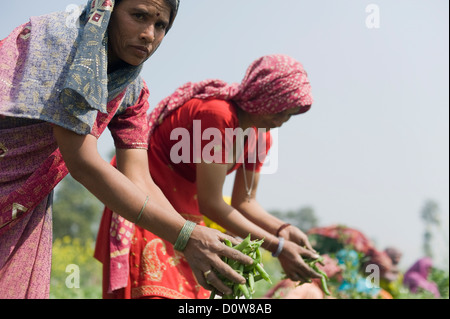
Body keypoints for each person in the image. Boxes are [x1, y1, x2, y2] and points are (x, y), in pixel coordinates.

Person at [0, 0, 252, 299]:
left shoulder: (131, 88)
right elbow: (82, 161)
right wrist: (185, 236)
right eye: (138, 16)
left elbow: (140, 179)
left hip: (26, 203)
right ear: (107, 10)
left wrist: (190, 237)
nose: (149, 34)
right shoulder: (64, 42)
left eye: (161, 25)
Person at [96, 54, 322, 299]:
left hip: (191, 224)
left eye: (287, 116)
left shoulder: (261, 136)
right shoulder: (217, 115)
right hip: (150, 210)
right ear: (261, 95)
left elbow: (245, 201)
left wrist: (282, 230)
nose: (279, 122)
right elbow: (211, 203)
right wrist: (277, 247)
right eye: (277, 112)